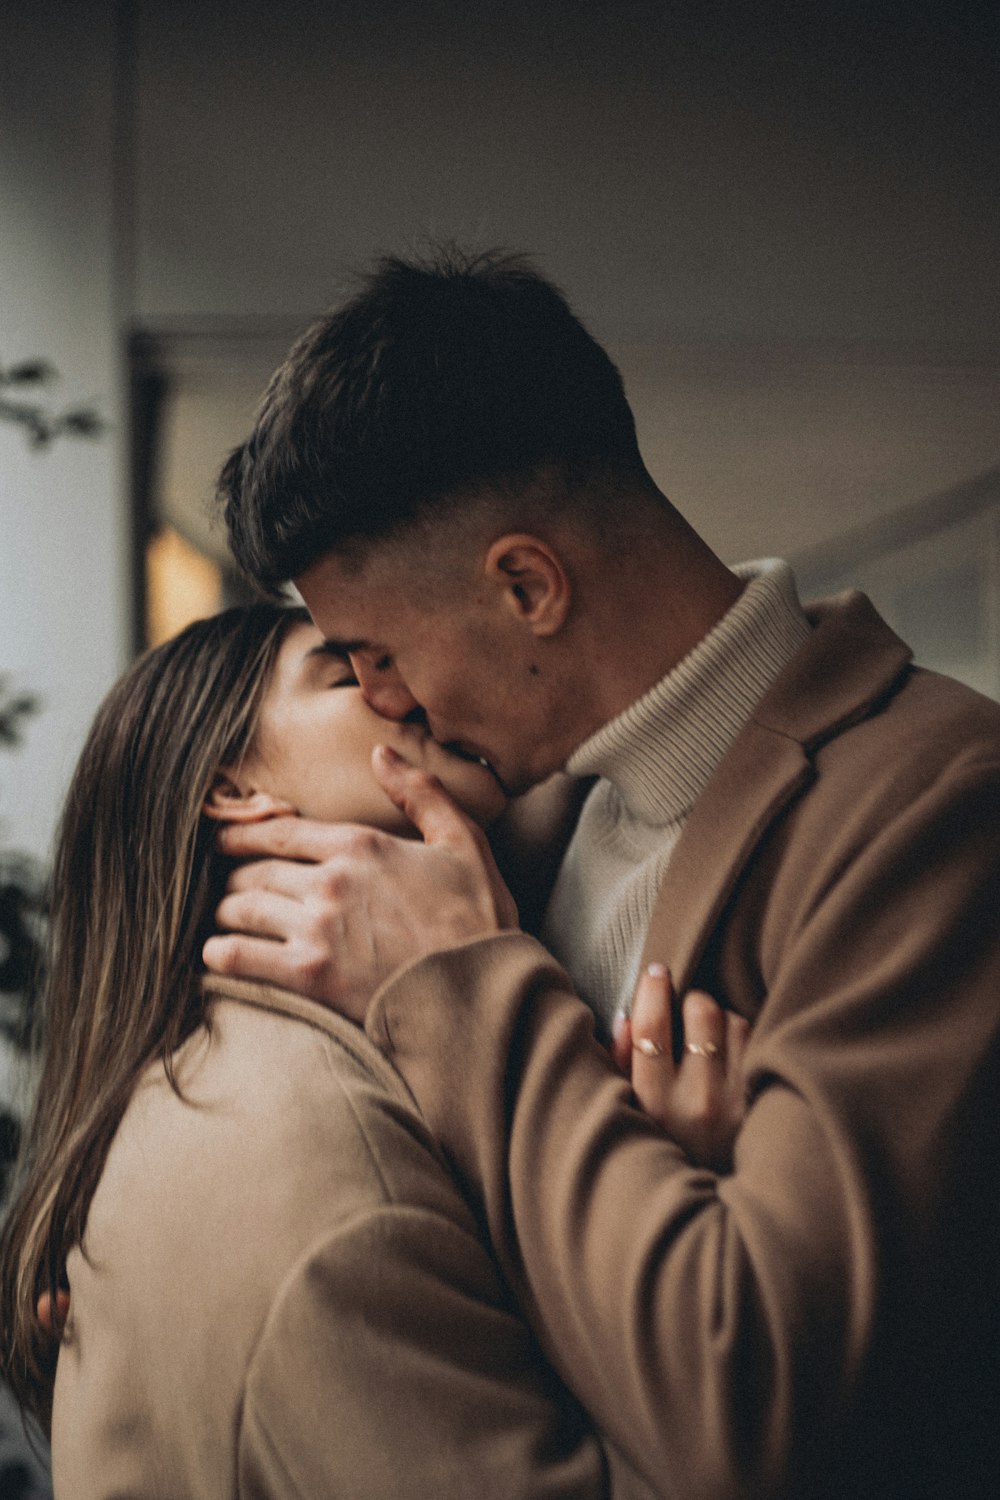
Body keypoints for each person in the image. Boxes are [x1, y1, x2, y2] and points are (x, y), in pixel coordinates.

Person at [209, 247, 1000, 1500]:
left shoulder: (936, 802)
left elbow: (752, 1411)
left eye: (375, 652)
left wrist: (472, 989)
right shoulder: (512, 821)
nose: (381, 704)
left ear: (527, 584)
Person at [0, 601, 742, 1500]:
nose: (411, 690)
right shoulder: (321, 1165)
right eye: (350, 673)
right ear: (233, 789)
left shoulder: (235, 1080)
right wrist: (675, 1208)